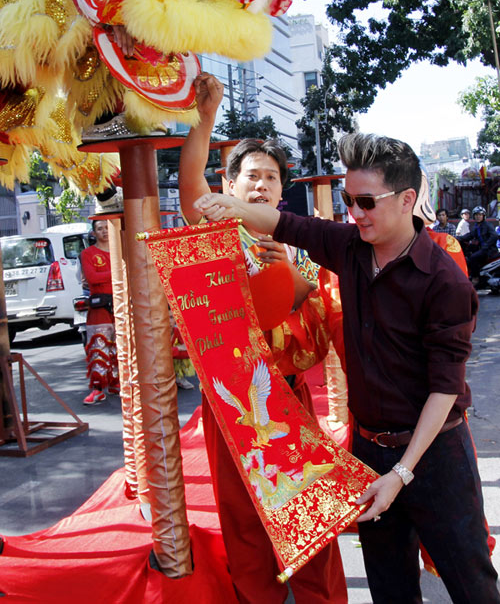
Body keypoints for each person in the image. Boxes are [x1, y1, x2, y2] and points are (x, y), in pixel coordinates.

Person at [194, 132, 500, 604]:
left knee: (471, 584)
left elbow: (445, 390)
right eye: (346, 200)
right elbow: (285, 222)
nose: (353, 213)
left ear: (406, 200)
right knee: (390, 587)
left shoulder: (444, 280)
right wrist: (229, 207)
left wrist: (400, 473)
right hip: (368, 451)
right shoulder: (350, 248)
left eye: (365, 202)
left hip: (434, 454)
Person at [178, 72, 347, 604]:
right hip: (231, 408)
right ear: (229, 187)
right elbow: (189, 193)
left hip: (289, 401)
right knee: (245, 527)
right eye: (250, 176)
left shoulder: (301, 246)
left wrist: (296, 287)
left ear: (282, 190)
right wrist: (205, 121)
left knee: (310, 529)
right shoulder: (217, 241)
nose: (261, 186)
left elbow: (320, 335)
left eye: (271, 178)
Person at [80, 219, 119, 404]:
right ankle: (97, 388)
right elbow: (92, 278)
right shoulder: (88, 253)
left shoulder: (121, 249)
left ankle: (117, 383)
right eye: (100, 228)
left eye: (106, 228)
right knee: (99, 346)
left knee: (122, 347)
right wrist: (119, 270)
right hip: (99, 308)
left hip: (121, 304)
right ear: (93, 233)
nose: (104, 231)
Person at [459, 205, 498, 284]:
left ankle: (475, 278)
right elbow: (470, 235)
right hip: (482, 249)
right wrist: (457, 238)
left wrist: (486, 246)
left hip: (489, 250)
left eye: (480, 215)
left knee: (473, 258)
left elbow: (494, 236)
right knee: (468, 255)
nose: (478, 217)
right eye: (476, 215)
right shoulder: (476, 226)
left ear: (483, 216)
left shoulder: (487, 225)